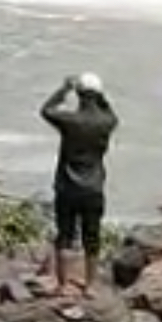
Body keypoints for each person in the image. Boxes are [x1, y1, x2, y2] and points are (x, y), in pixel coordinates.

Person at [40, 73, 119, 292]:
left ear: (80, 95)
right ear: (98, 95)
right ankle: (90, 285)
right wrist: (102, 97)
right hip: (93, 187)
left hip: (67, 186)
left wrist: (63, 89)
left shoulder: (70, 121)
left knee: (64, 235)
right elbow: (111, 113)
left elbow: (46, 110)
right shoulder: (106, 122)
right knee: (92, 237)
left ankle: (63, 285)